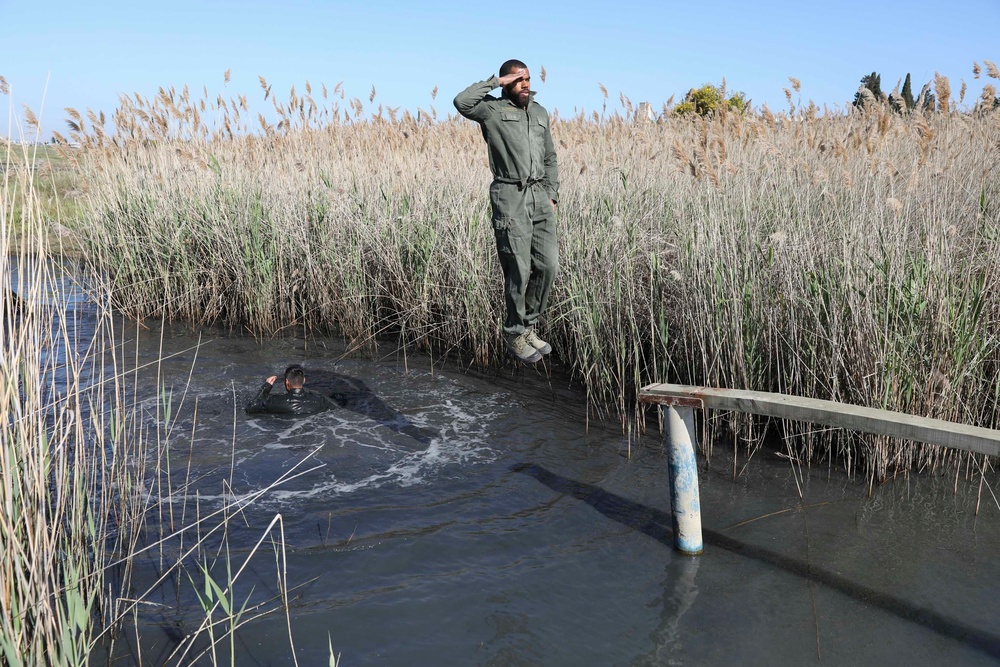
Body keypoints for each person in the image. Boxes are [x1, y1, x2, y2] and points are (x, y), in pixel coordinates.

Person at [454, 59, 560, 364]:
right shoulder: (492, 110)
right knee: (519, 268)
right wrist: (496, 82)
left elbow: (550, 157)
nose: (525, 84)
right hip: (509, 195)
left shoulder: (539, 113)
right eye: (518, 79)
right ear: (507, 82)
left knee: (548, 265)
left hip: (539, 196)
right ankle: (515, 334)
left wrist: (551, 194)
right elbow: (462, 101)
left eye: (527, 78)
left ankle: (529, 326)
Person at [245, 364, 335, 416]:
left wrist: (266, 387)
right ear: (304, 380)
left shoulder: (274, 401)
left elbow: (250, 409)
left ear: (287, 382)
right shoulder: (319, 400)